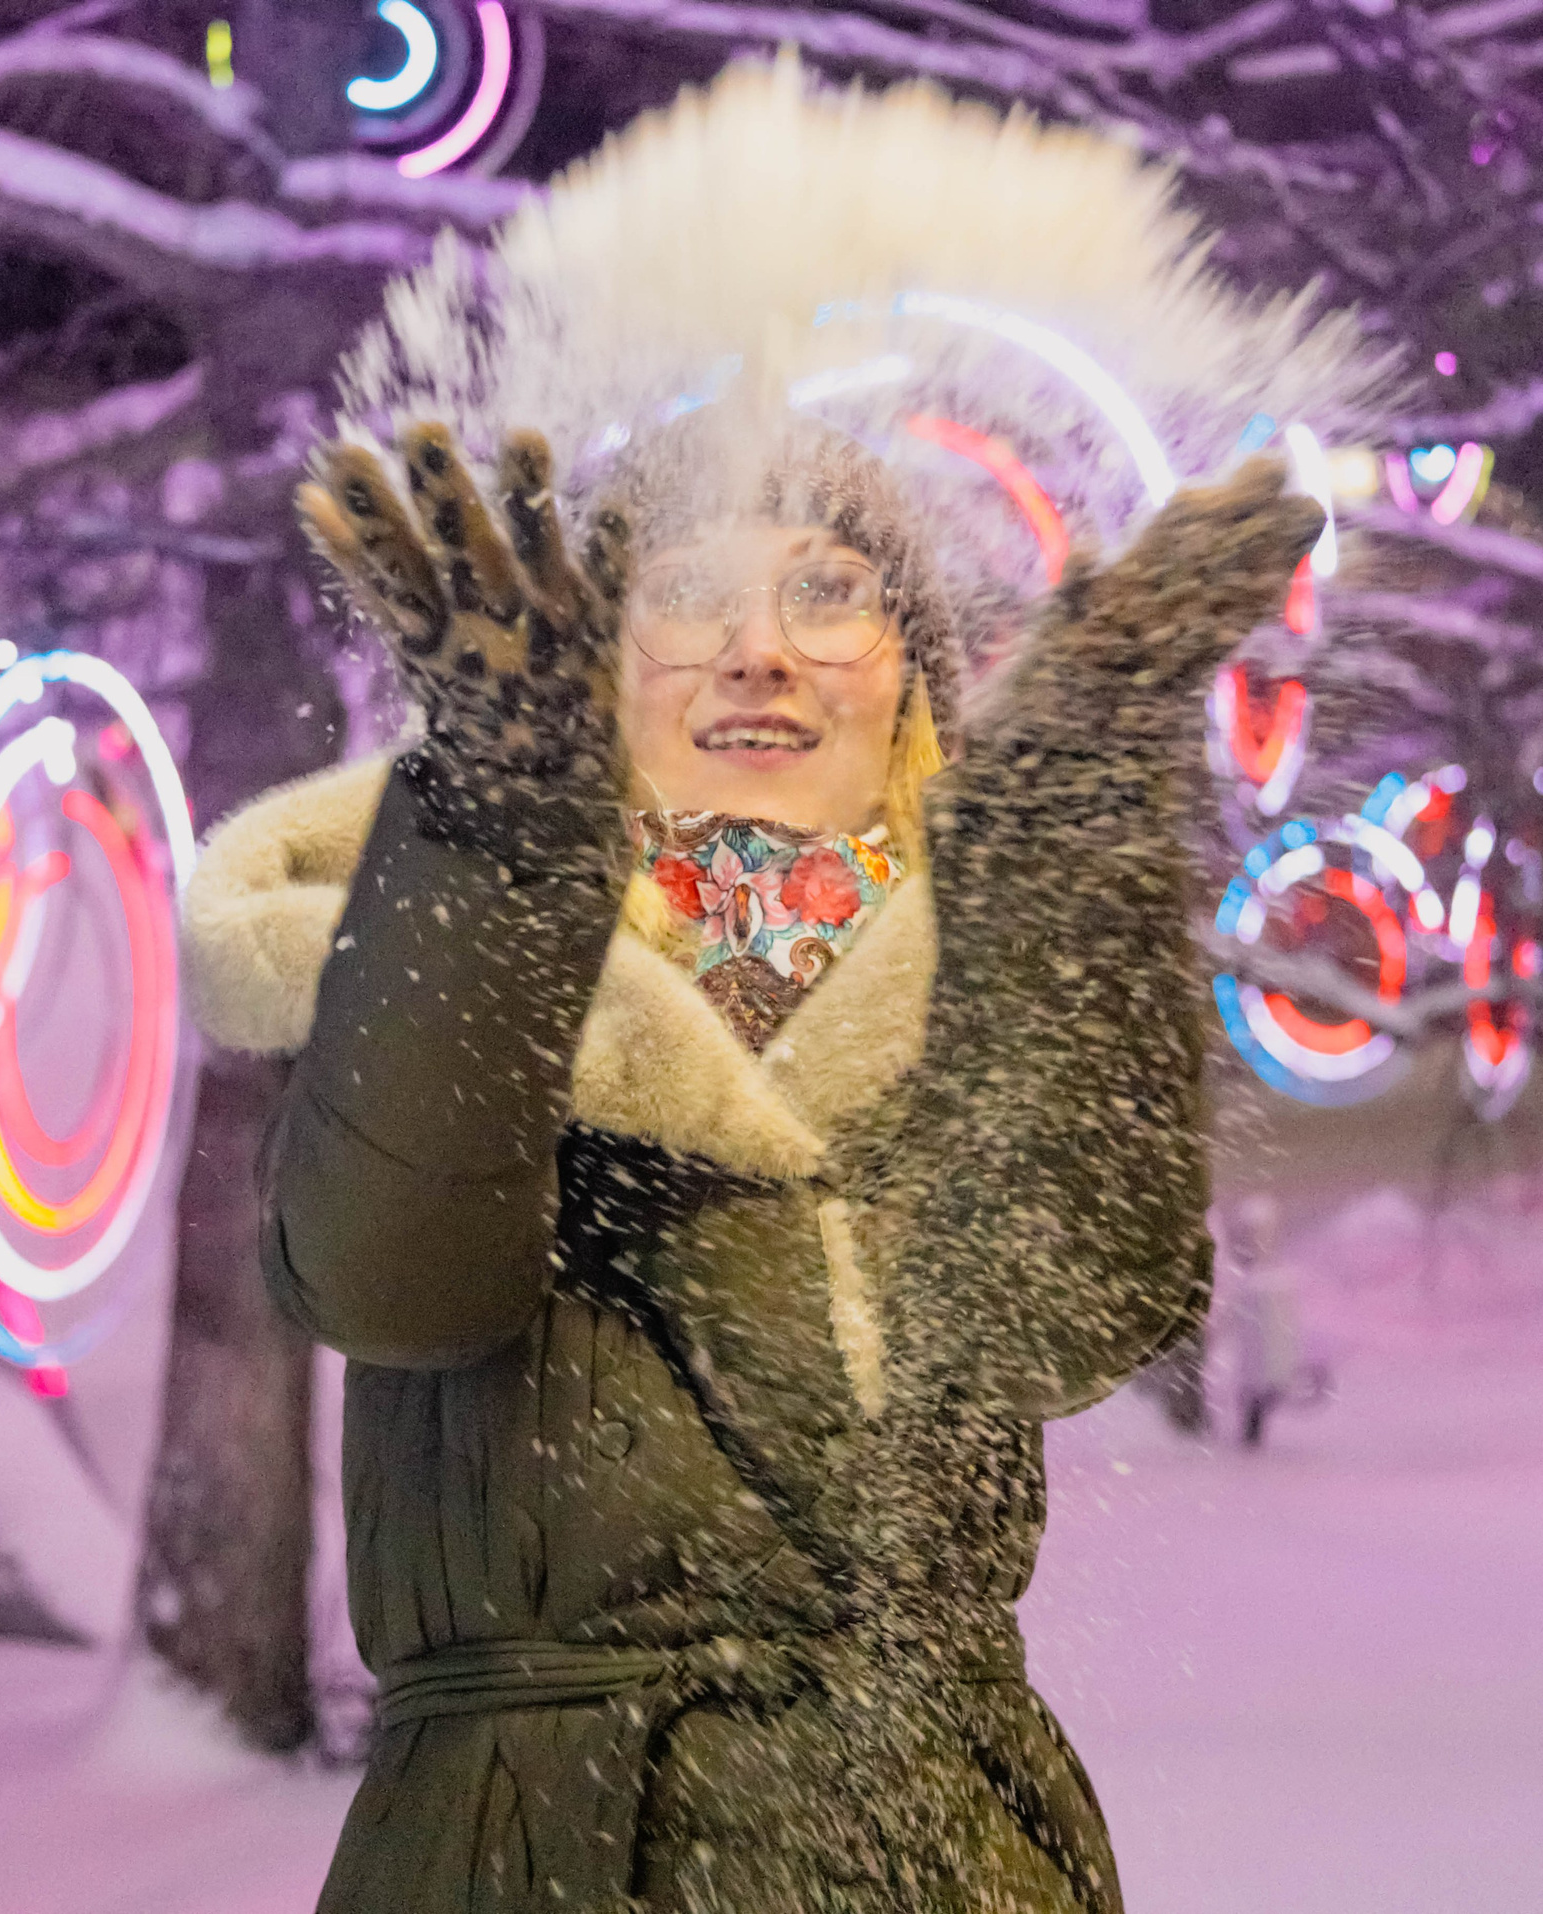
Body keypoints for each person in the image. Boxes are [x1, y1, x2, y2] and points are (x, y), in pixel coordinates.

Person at [179, 59, 1364, 1914]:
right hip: (544, 1850)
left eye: (828, 592)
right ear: (587, 671)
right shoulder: (459, 929)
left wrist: (1072, 805)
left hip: (941, 1846)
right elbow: (390, 1276)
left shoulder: (982, 967)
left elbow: (1087, 1305)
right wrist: (502, 823)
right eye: (687, 598)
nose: (760, 652)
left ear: (910, 677)